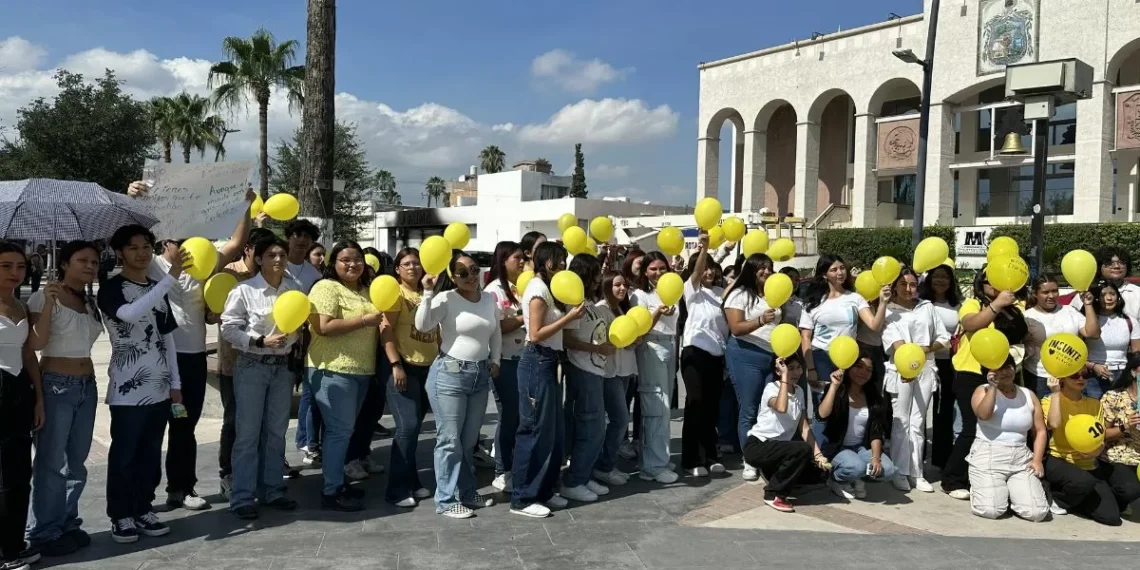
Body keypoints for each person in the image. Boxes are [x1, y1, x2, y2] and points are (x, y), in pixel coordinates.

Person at [129, 181, 254, 511]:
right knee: (155, 428)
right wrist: (135, 199)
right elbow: (129, 237)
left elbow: (238, 242)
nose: (187, 248)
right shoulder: (151, 264)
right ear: (165, 242)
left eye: (193, 242)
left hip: (193, 361)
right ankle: (142, 495)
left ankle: (182, 488)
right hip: (158, 362)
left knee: (185, 426)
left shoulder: (205, 265)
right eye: (179, 242)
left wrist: (244, 205)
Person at [97, 225, 185, 543]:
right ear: (120, 253)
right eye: (134, 247)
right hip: (127, 387)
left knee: (150, 453)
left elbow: (167, 339)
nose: (142, 252)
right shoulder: (111, 288)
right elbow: (131, 314)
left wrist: (175, 382)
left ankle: (143, 507)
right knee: (125, 455)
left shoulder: (156, 286)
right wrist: (169, 278)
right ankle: (120, 515)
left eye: (147, 245)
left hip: (159, 387)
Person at [24, 242, 103, 556]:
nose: (89, 266)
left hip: (87, 384)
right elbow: (36, 343)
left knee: (76, 463)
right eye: (82, 260)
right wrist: (47, 304)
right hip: (56, 385)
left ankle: (66, 520)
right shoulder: (44, 296)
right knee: (50, 463)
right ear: (65, 263)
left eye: (95, 262)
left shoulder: (89, 301)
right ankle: (43, 530)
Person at [414, 250, 500, 518]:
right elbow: (423, 325)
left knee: (468, 441)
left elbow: (495, 330)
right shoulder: (446, 298)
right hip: (450, 373)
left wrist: (495, 358)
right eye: (462, 273)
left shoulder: (487, 298)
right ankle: (446, 500)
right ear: (452, 276)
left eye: (474, 270)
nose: (470, 276)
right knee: (449, 440)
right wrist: (427, 293)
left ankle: (466, 491)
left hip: (479, 374)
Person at [220, 237, 301, 519]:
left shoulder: (294, 289)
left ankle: (273, 489)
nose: (277, 260)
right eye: (270, 255)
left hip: (282, 368)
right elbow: (229, 328)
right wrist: (259, 341)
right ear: (259, 259)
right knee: (248, 434)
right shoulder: (245, 290)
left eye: (282, 254)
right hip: (252, 365)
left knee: (277, 432)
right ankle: (242, 496)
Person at [305, 241, 381, 512]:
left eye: (358, 259)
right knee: (339, 432)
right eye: (345, 259)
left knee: (344, 432)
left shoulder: (365, 291)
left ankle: (336, 481)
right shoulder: (326, 288)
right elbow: (323, 326)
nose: (353, 264)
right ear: (332, 263)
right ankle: (331, 491)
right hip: (332, 369)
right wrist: (364, 321)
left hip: (361, 370)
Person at [511, 242, 584, 518]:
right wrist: (568, 318)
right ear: (547, 262)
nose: (563, 264)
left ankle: (543, 490)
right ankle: (522, 497)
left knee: (552, 432)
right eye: (559, 259)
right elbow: (537, 332)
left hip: (550, 361)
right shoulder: (538, 289)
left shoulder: (551, 289)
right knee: (534, 430)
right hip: (537, 360)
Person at [943, 267, 1029, 499]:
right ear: (982, 283)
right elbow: (971, 324)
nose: (997, 285)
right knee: (971, 426)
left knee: (995, 428)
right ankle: (952, 479)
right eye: (991, 281)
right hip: (971, 372)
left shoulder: (1016, 308)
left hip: (1005, 375)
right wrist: (997, 304)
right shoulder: (973, 303)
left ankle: (981, 475)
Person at [800, 254, 890, 442]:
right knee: (823, 411)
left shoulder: (855, 298)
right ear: (824, 275)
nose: (840, 272)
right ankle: (818, 457)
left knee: (846, 408)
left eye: (842, 268)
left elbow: (874, 325)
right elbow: (806, 337)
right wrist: (811, 369)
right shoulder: (812, 302)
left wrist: (882, 302)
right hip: (822, 358)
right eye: (834, 269)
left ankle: (842, 452)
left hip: (849, 360)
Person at [215, 227, 274, 500]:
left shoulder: (279, 277)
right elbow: (213, 313)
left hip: (271, 363)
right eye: (259, 249)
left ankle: (262, 473)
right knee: (235, 422)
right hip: (234, 361)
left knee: (265, 423)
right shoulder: (230, 274)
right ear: (248, 249)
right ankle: (228, 474)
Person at [882, 268, 949, 493]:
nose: (909, 289)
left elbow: (943, 337)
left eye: (912, 284)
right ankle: (900, 471)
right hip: (900, 369)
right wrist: (909, 359)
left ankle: (917, 472)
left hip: (926, 369)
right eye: (903, 284)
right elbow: (894, 341)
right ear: (894, 287)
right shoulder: (889, 311)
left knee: (918, 423)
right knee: (901, 420)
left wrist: (926, 349)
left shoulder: (926, 307)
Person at [1042, 371, 1138, 525]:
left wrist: (1096, 451)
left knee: (1111, 518)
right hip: (1059, 458)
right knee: (1083, 482)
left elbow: (1100, 437)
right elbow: (1053, 424)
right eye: (1074, 375)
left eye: (1084, 375)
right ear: (1062, 380)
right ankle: (1058, 497)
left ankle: (1079, 499)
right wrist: (1055, 393)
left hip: (1088, 463)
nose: (1080, 379)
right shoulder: (1050, 400)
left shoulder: (1094, 404)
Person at [380, 248, 436, 507]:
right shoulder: (396, 294)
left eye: (416, 263)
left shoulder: (428, 293)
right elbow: (386, 330)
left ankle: (412, 481)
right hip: (404, 367)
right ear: (397, 269)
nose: (413, 267)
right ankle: (397, 490)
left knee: (413, 430)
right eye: (406, 264)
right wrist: (395, 364)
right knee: (408, 427)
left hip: (429, 368)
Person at [0, 241, 43, 570]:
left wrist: (39, 397)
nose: (15, 273)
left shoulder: (21, 305)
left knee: (17, 474)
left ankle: (13, 542)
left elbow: (29, 354)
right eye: (5, 267)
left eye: (20, 267)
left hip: (19, 392)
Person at [967, 356, 1048, 522]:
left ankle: (1012, 493)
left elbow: (1040, 431)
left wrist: (1037, 460)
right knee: (991, 510)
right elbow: (983, 415)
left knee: (1037, 513)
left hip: (1020, 457)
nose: (1004, 372)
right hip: (989, 454)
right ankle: (988, 490)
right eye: (998, 369)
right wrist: (993, 388)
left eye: (1008, 367)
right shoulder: (982, 390)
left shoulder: (1028, 394)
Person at [560, 254, 614, 502]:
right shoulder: (573, 303)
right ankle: (574, 480)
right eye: (595, 273)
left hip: (596, 370)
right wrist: (596, 349)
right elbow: (568, 341)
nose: (599, 278)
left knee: (595, 427)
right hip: (582, 370)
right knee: (590, 427)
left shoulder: (590, 303)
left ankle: (584, 473)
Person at [722, 253, 780, 482]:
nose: (766, 271)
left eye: (769, 267)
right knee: (749, 410)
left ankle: (765, 456)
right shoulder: (739, 294)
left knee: (768, 410)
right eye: (761, 268)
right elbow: (735, 328)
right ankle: (750, 459)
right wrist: (760, 321)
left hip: (771, 356)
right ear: (751, 270)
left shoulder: (774, 295)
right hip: (745, 354)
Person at [742, 354, 823, 513]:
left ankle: (774, 476)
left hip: (779, 451)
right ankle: (773, 495)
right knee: (801, 449)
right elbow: (781, 407)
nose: (796, 372)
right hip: (759, 446)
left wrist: (819, 456)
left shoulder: (799, 391)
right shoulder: (772, 388)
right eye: (790, 368)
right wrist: (785, 377)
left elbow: (804, 428)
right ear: (779, 370)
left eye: (798, 367)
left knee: (819, 474)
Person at [679, 235, 727, 478]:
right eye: (704, 267)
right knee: (695, 404)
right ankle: (691, 459)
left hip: (717, 356)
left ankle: (711, 455)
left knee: (711, 408)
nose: (708, 271)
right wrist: (705, 249)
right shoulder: (692, 290)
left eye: (711, 267)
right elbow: (696, 273)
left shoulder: (721, 292)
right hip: (694, 352)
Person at [818, 351, 895, 500]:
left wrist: (876, 458)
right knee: (856, 467)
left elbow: (876, 431)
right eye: (859, 367)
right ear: (849, 367)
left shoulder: (874, 397)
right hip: (837, 447)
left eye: (869, 369)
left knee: (888, 470)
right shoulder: (836, 390)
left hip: (861, 447)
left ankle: (857, 477)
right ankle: (835, 479)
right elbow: (822, 414)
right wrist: (834, 386)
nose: (864, 372)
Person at [631, 251, 680, 484]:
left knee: (664, 407)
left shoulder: (672, 289)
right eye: (653, 269)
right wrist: (659, 311)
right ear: (645, 271)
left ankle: (658, 456)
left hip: (670, 344)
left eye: (662, 268)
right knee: (655, 405)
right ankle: (653, 465)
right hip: (651, 346)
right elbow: (640, 327)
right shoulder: (640, 295)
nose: (658, 273)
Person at [484, 242, 526, 493]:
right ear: (502, 261)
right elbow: (497, 327)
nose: (522, 262)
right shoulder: (493, 292)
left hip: (526, 358)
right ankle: (502, 469)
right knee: (509, 415)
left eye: (523, 258)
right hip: (505, 361)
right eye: (517, 258)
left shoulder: (524, 286)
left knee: (521, 415)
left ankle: (515, 465)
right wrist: (525, 318)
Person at [1024, 274, 1098, 398]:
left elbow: (1093, 333)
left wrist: (1088, 304)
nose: (1051, 296)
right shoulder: (1027, 316)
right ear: (1035, 293)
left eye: (1054, 291)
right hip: (1041, 377)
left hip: (1072, 376)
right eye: (1045, 292)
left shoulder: (1070, 311)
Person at [594, 271, 634, 487]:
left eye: (624, 284)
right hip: (610, 372)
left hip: (625, 370)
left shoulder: (620, 308)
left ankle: (608, 464)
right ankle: (604, 466)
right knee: (619, 419)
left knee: (619, 420)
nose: (622, 288)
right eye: (617, 284)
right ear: (607, 285)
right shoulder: (601, 308)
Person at [920, 264, 961, 470]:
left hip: (949, 363)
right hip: (924, 361)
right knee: (920, 411)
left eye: (945, 277)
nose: (941, 280)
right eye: (936, 276)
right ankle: (916, 459)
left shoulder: (957, 305)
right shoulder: (922, 303)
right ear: (929, 279)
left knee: (943, 411)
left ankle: (941, 459)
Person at [1099, 353, 1140, 515]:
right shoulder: (1114, 397)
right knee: (1130, 490)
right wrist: (1125, 426)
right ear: (1133, 372)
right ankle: (1111, 493)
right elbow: (1101, 435)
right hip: (1117, 457)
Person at [1084, 280, 1140, 399]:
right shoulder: (1087, 321)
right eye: (1103, 295)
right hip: (1093, 376)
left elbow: (1137, 356)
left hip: (1123, 376)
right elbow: (1077, 354)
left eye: (1112, 294)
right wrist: (1093, 366)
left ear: (1118, 297)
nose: (1109, 298)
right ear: (1096, 298)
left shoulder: (1130, 322)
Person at [618, 248, 646, 460]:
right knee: (624, 398)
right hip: (625, 349)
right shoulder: (622, 289)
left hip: (642, 348)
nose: (643, 268)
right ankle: (621, 440)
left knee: (639, 396)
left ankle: (638, 437)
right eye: (639, 264)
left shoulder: (647, 288)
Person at [1070, 246, 1140, 322]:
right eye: (1109, 263)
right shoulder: (1085, 294)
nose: (1116, 266)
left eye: (1122, 262)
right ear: (1098, 267)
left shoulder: (1137, 293)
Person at [283, 220, 323, 293]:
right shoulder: (275, 265)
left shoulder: (315, 275)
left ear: (312, 242)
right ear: (288, 238)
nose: (302, 239)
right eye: (298, 235)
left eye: (306, 236)